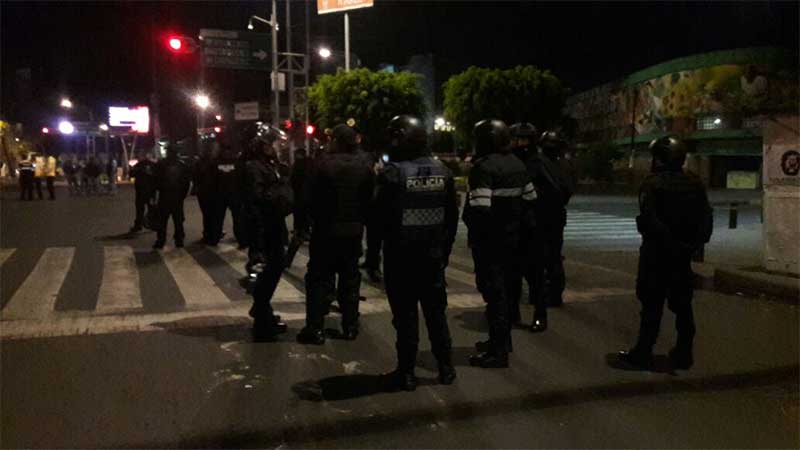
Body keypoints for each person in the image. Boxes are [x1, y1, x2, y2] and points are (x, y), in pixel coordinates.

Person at [375, 115, 459, 391]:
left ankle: (407, 373)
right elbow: (451, 219)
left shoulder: (393, 174)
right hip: (432, 258)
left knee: (406, 318)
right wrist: (443, 253)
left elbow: (378, 220)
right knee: (436, 314)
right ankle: (446, 368)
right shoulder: (443, 172)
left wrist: (374, 258)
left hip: (400, 259)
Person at [618, 136, 713, 370]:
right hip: (682, 255)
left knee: (651, 305)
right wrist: (690, 246)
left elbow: (649, 219)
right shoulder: (695, 183)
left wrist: (669, 243)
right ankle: (684, 353)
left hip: (657, 254)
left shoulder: (653, 184)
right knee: (683, 306)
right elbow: (706, 219)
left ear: (660, 159)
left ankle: (643, 352)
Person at [463, 119, 536, 368]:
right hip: (513, 241)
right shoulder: (517, 164)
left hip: (490, 243)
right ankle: (502, 341)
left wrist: (476, 239)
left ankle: (498, 351)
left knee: (494, 295)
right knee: (506, 292)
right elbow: (530, 200)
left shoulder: (483, 168)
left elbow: (480, 210)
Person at [297, 124, 375, 345]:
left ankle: (315, 328)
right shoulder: (364, 166)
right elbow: (369, 200)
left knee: (318, 279)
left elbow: (306, 198)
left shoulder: (321, 164)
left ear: (337, 141)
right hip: (353, 232)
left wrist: (304, 225)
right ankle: (350, 326)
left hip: (326, 231)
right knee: (350, 279)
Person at [242, 123, 291, 339]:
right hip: (263, 227)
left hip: (272, 224)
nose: (276, 147)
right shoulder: (254, 168)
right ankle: (261, 316)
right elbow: (258, 198)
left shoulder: (268, 166)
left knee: (274, 268)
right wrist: (281, 193)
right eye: (272, 144)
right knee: (268, 270)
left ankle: (262, 311)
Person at [531, 131, 576, 310]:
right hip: (557, 214)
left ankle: (543, 293)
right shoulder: (565, 164)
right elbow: (569, 189)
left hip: (541, 214)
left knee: (540, 256)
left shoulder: (537, 162)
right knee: (554, 255)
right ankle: (555, 293)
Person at [507, 122, 541, 328]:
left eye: (525, 139)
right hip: (514, 225)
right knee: (512, 274)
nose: (522, 144)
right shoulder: (510, 162)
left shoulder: (538, 163)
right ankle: (513, 313)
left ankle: (540, 314)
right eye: (518, 139)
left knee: (534, 273)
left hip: (533, 225)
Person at [152, 144, 192, 249]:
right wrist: (182, 195)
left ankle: (161, 240)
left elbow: (155, 181)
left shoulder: (161, 164)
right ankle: (179, 240)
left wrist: (155, 195)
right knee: (178, 220)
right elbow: (186, 183)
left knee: (163, 221)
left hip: (165, 196)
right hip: (177, 197)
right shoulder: (182, 165)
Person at [361, 149, 385, 282]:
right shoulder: (369, 173)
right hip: (372, 211)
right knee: (372, 241)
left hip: (377, 212)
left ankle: (373, 266)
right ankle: (371, 263)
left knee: (375, 241)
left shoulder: (380, 173)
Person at [193, 144, 219, 245]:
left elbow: (195, 177)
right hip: (210, 192)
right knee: (212, 214)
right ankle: (212, 234)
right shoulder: (214, 162)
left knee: (207, 214)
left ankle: (208, 234)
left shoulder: (200, 163)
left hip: (204, 192)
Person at [129, 149, 157, 232]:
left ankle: (139, 225)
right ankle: (151, 224)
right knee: (150, 208)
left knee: (140, 209)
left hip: (142, 191)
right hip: (150, 191)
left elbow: (131, 175)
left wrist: (132, 169)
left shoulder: (139, 165)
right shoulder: (153, 165)